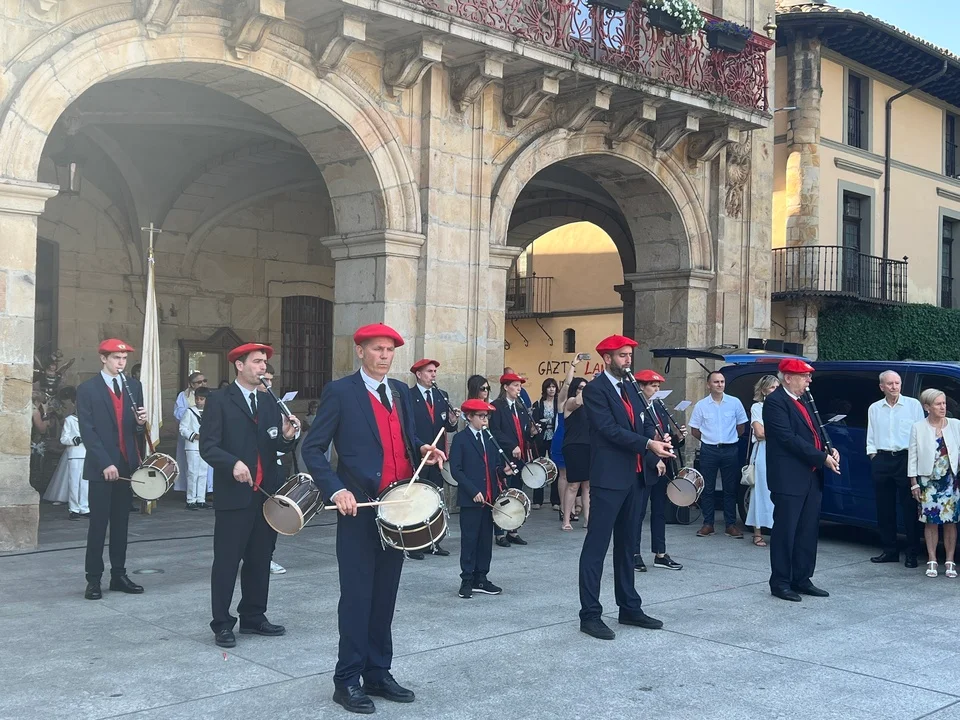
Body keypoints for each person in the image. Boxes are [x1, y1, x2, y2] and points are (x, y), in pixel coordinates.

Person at [300, 323, 446, 715]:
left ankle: (378, 673)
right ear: (361, 352)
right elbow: (313, 449)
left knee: (384, 597)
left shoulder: (399, 391)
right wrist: (336, 489)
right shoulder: (340, 392)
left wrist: (423, 448)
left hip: (397, 509)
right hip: (359, 511)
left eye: (389, 349)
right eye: (377, 349)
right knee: (357, 598)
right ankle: (347, 680)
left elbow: (405, 438)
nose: (384, 355)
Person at [199, 343, 299, 649]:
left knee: (260, 557)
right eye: (257, 362)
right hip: (234, 495)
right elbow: (208, 446)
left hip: (265, 494)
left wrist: (287, 436)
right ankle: (222, 623)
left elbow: (274, 447)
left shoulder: (269, 401)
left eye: (264, 362)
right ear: (239, 366)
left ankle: (254, 616)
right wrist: (232, 464)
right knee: (227, 561)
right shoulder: (219, 400)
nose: (263, 367)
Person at [578, 335, 673, 640]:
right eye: (622, 355)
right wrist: (648, 443)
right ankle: (590, 614)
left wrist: (657, 442)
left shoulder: (631, 387)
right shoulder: (595, 390)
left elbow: (643, 423)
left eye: (630, 354)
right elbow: (608, 429)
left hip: (635, 477)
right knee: (596, 546)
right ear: (607, 359)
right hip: (609, 479)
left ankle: (629, 607)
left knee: (627, 545)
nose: (628, 360)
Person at [77, 338, 147, 600]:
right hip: (101, 466)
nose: (121, 363)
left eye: (124, 358)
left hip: (126, 464)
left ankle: (118, 574)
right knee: (98, 525)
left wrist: (140, 423)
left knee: (121, 524)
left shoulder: (134, 386)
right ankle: (93, 579)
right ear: (103, 358)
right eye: (116, 358)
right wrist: (105, 462)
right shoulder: (88, 389)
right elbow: (88, 431)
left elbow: (134, 430)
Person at [764, 358, 839, 602]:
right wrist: (821, 458)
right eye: (805, 376)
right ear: (788, 378)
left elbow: (816, 430)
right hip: (789, 477)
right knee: (786, 531)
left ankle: (802, 578)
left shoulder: (804, 399)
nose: (809, 381)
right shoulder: (775, 402)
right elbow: (788, 438)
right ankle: (780, 582)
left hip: (811, 475)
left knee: (807, 530)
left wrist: (829, 448)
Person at [450, 399, 514, 599]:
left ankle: (481, 577)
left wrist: (503, 471)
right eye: (481, 416)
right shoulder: (460, 439)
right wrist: (472, 490)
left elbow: (494, 466)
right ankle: (466, 579)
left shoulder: (489, 437)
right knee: (470, 540)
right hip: (471, 499)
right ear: (469, 417)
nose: (485, 420)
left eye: (487, 416)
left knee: (485, 540)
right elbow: (456, 470)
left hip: (489, 498)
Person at [867, 371, 925, 567]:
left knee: (910, 508)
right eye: (890, 383)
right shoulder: (874, 408)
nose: (894, 387)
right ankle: (890, 550)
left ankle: (912, 553)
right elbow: (871, 435)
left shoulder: (913, 405)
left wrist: (915, 462)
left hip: (905, 459)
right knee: (884, 508)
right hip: (882, 459)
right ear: (881, 387)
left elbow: (920, 434)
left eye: (897, 383)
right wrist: (873, 456)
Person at [407, 358, 459, 559]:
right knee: (416, 500)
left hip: (436, 457)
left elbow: (448, 427)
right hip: (417, 455)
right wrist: (421, 446)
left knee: (435, 499)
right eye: (429, 371)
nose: (434, 375)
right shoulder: (408, 396)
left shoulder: (441, 395)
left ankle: (433, 542)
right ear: (419, 374)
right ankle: (414, 544)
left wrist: (452, 421)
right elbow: (408, 429)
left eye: (435, 371)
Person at [634, 369, 684, 572]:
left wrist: (678, 438)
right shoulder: (636, 409)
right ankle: (634, 554)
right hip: (644, 467)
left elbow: (663, 437)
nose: (656, 390)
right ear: (641, 387)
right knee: (637, 513)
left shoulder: (658, 407)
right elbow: (639, 440)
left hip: (662, 467)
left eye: (657, 386)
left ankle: (660, 553)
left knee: (659, 511)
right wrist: (654, 459)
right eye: (652, 386)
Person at [907, 389, 960, 578]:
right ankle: (932, 559)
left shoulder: (956, 425)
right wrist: (914, 483)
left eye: (944, 403)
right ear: (927, 407)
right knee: (930, 522)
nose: (943, 407)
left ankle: (950, 560)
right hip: (928, 482)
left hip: (951, 481)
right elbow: (912, 456)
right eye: (938, 404)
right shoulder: (918, 427)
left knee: (951, 522)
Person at [689, 371, 749, 538]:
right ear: (708, 384)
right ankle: (708, 524)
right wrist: (709, 439)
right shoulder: (701, 405)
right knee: (707, 488)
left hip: (730, 449)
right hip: (709, 450)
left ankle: (730, 525)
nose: (720, 384)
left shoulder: (734, 402)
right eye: (716, 382)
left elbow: (741, 427)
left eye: (722, 381)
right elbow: (694, 430)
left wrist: (730, 439)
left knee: (730, 488)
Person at [490, 372, 540, 547]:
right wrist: (512, 446)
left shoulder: (521, 407)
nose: (519, 389)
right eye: (516, 385)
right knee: (503, 494)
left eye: (520, 386)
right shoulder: (496, 407)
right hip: (503, 456)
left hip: (520, 456)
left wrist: (531, 433)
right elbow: (495, 432)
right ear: (506, 387)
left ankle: (513, 530)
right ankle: (499, 532)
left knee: (517, 491)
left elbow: (524, 433)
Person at [256, 364, 288, 575]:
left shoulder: (274, 403)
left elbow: (281, 443)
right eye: (264, 380)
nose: (267, 385)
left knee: (271, 517)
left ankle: (267, 557)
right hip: (249, 472)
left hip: (272, 470)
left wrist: (289, 435)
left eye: (270, 380)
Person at [43, 386, 89, 519]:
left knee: (85, 483)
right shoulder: (70, 420)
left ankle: (85, 507)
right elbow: (63, 439)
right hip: (74, 454)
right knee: (74, 482)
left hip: (87, 454)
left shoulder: (89, 420)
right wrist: (74, 440)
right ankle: (74, 509)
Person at [746, 375, 779, 547]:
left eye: (777, 387)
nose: (775, 390)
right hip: (763, 453)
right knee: (760, 491)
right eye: (772, 387)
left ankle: (778, 530)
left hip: (779, 452)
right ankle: (757, 532)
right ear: (764, 390)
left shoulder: (783, 407)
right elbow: (759, 433)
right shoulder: (757, 407)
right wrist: (781, 432)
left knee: (780, 491)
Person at [561, 376, 591, 531]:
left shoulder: (590, 405)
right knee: (573, 484)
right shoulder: (570, 402)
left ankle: (588, 519)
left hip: (589, 445)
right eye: (580, 387)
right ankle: (566, 519)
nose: (583, 390)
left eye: (585, 387)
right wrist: (588, 389)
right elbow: (578, 402)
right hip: (573, 446)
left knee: (587, 485)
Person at [174, 372, 207, 497]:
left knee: (204, 471)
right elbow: (178, 414)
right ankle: (190, 497)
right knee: (191, 469)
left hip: (205, 442)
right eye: (199, 382)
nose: (202, 384)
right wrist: (193, 410)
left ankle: (202, 496)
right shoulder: (184, 396)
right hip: (190, 439)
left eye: (204, 381)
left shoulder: (210, 395)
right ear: (191, 384)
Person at [530, 378, 562, 509]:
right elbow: (535, 421)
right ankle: (537, 500)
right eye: (549, 387)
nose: (552, 389)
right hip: (541, 438)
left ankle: (556, 501)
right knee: (539, 466)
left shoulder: (559, 403)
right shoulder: (538, 404)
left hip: (555, 437)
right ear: (545, 389)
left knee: (555, 467)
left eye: (553, 387)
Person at [179, 386, 210, 510]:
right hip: (192, 446)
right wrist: (194, 435)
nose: (198, 401)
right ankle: (190, 499)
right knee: (192, 472)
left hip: (205, 446)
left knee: (203, 473)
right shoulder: (189, 411)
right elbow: (182, 428)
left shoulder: (210, 412)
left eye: (201, 399)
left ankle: (201, 499)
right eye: (197, 399)